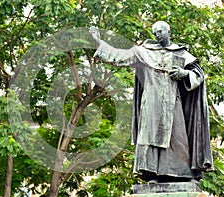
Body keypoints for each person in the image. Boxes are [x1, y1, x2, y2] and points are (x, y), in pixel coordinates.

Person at [90, 21, 213, 183]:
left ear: (169, 32)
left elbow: (198, 75)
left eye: (160, 31)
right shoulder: (144, 52)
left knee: (178, 138)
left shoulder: (181, 53)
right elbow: (119, 57)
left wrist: (184, 73)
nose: (157, 35)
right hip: (151, 103)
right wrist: (100, 43)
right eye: (155, 33)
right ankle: (151, 174)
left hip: (173, 103)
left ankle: (184, 174)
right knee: (150, 138)